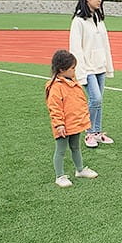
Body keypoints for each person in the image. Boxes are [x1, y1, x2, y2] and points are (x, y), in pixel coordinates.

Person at [69, 0, 115, 149]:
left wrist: (107, 65)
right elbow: (75, 48)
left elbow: (105, 44)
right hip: (86, 68)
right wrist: (79, 72)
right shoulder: (78, 21)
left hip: (100, 66)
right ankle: (89, 133)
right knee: (95, 98)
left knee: (99, 101)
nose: (99, 0)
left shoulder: (99, 20)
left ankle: (97, 131)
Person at [46, 50, 99, 188]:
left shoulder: (73, 83)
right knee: (61, 150)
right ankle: (60, 176)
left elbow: (79, 102)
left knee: (76, 147)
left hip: (75, 123)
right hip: (63, 126)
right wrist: (59, 124)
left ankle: (80, 170)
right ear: (62, 70)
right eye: (72, 68)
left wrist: (83, 119)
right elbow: (55, 108)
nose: (74, 71)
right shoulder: (56, 87)